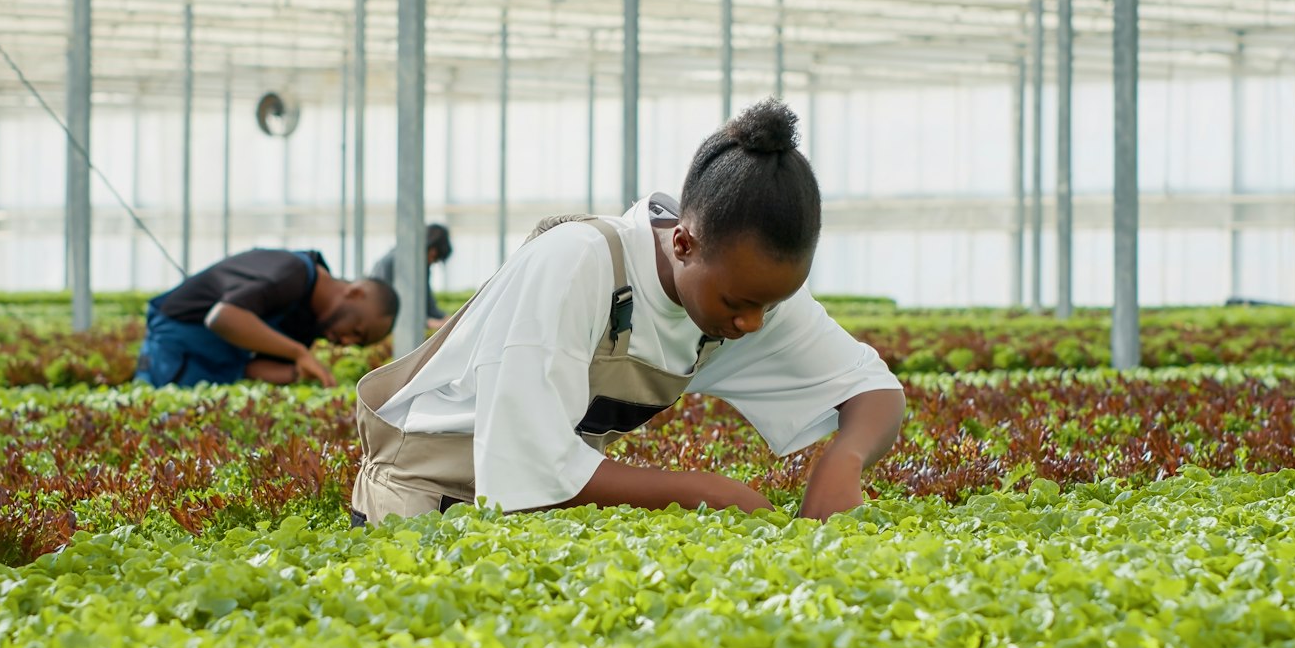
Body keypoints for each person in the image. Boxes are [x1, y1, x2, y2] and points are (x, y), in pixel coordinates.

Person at [350, 99, 905, 526]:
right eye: (739, 305)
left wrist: (844, 460)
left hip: (529, 517)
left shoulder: (740, 289)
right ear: (683, 244)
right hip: (418, 505)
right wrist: (704, 492)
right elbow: (530, 467)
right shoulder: (578, 264)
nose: (753, 325)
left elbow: (872, 389)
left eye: (771, 304)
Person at [136, 248, 399, 388]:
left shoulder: (307, 324)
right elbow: (223, 317)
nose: (346, 341)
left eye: (356, 343)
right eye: (357, 330)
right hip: (173, 352)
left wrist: (299, 373)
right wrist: (298, 354)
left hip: (215, 368)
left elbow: (251, 370)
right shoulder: (290, 272)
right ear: (354, 293)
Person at [370, 223, 452, 328]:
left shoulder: (423, 268)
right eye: (432, 256)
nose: (431, 261)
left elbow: (429, 305)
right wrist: (427, 322)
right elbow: (382, 307)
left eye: (435, 259)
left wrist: (446, 318)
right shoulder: (391, 263)